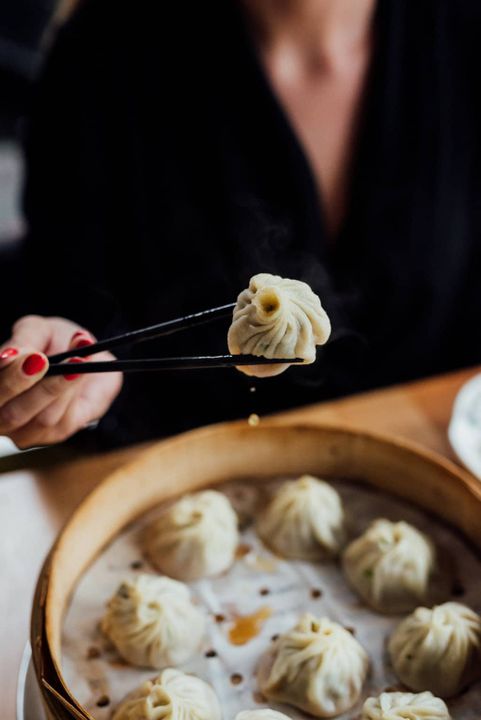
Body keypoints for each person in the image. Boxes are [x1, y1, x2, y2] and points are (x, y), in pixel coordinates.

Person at [2, 0, 481, 449]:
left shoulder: (463, 32)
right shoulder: (103, 53)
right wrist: (67, 378)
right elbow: (66, 295)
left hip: (433, 456)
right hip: (168, 472)